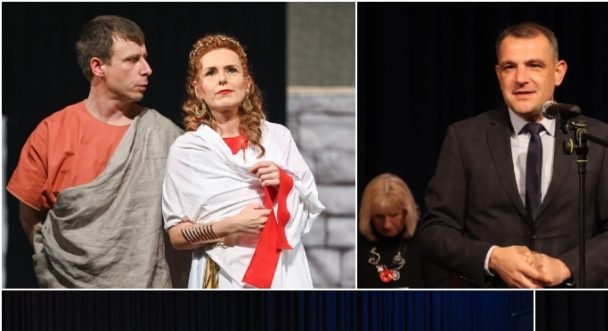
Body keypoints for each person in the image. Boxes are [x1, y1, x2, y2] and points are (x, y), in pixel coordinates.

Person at [420, 22, 608, 288]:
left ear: (558, 72)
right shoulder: (464, 138)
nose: (521, 78)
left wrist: (565, 267)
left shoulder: (598, 136)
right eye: (509, 67)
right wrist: (492, 257)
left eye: (534, 65)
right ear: (498, 74)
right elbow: (434, 230)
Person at [6, 15, 183, 288]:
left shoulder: (165, 135)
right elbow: (28, 212)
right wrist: (52, 261)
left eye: (144, 58)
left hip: (147, 294)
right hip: (66, 291)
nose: (147, 69)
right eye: (132, 60)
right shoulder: (52, 132)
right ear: (98, 66)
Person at [162, 34, 324, 288]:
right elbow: (177, 236)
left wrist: (283, 183)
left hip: (280, 270)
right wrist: (229, 226)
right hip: (217, 273)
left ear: (247, 84)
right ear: (198, 89)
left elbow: (308, 204)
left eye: (231, 70)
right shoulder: (187, 150)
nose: (222, 79)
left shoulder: (278, 137)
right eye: (211, 73)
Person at [359, 173, 443, 287]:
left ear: (406, 213)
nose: (387, 225)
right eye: (379, 216)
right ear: (368, 216)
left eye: (393, 215)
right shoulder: (355, 245)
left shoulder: (426, 243)